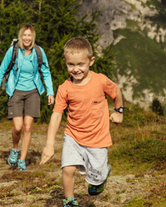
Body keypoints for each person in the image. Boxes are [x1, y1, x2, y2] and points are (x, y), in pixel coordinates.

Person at [39, 37, 125, 207]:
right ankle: (69, 200)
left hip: (97, 139)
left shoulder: (100, 81)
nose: (76, 69)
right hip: (73, 136)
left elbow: (116, 92)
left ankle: (102, 173)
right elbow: (56, 115)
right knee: (67, 169)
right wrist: (49, 144)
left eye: (80, 64)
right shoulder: (64, 88)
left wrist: (118, 111)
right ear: (65, 62)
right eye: (71, 64)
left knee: (96, 180)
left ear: (91, 61)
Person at [0, 24, 54, 172]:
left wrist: (50, 92)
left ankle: (22, 160)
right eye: (24, 35)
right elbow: (1, 71)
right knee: (18, 127)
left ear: (33, 37)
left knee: (28, 127)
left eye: (29, 35)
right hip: (15, 91)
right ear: (20, 36)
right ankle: (15, 148)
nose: (26, 38)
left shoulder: (38, 52)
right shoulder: (13, 51)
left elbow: (46, 72)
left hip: (33, 92)